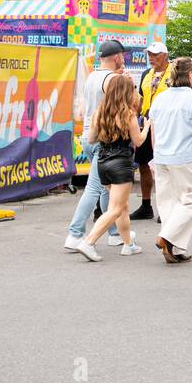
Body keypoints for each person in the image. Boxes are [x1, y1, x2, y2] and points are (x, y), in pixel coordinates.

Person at [74, 74, 148, 261]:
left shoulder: (100, 112)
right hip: (121, 164)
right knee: (115, 208)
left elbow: (91, 139)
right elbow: (138, 141)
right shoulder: (128, 115)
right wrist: (146, 127)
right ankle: (88, 242)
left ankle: (128, 245)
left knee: (122, 206)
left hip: (103, 163)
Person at [63, 40, 128, 252]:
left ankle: (114, 232)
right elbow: (124, 107)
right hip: (104, 139)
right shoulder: (114, 79)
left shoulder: (92, 76)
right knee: (95, 188)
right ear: (117, 57)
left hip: (87, 137)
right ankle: (75, 233)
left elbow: (82, 109)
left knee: (107, 187)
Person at [149, 57, 192, 264]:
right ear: (190, 74)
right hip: (185, 157)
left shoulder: (160, 98)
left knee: (168, 202)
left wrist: (154, 156)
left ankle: (174, 247)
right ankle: (167, 237)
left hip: (161, 156)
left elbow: (153, 132)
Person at [131, 41, 173, 221]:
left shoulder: (175, 73)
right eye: (149, 54)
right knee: (143, 164)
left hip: (166, 125)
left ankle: (168, 207)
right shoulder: (146, 74)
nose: (151, 58)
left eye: (155, 55)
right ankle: (146, 205)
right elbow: (141, 99)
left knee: (166, 167)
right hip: (147, 123)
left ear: (165, 55)